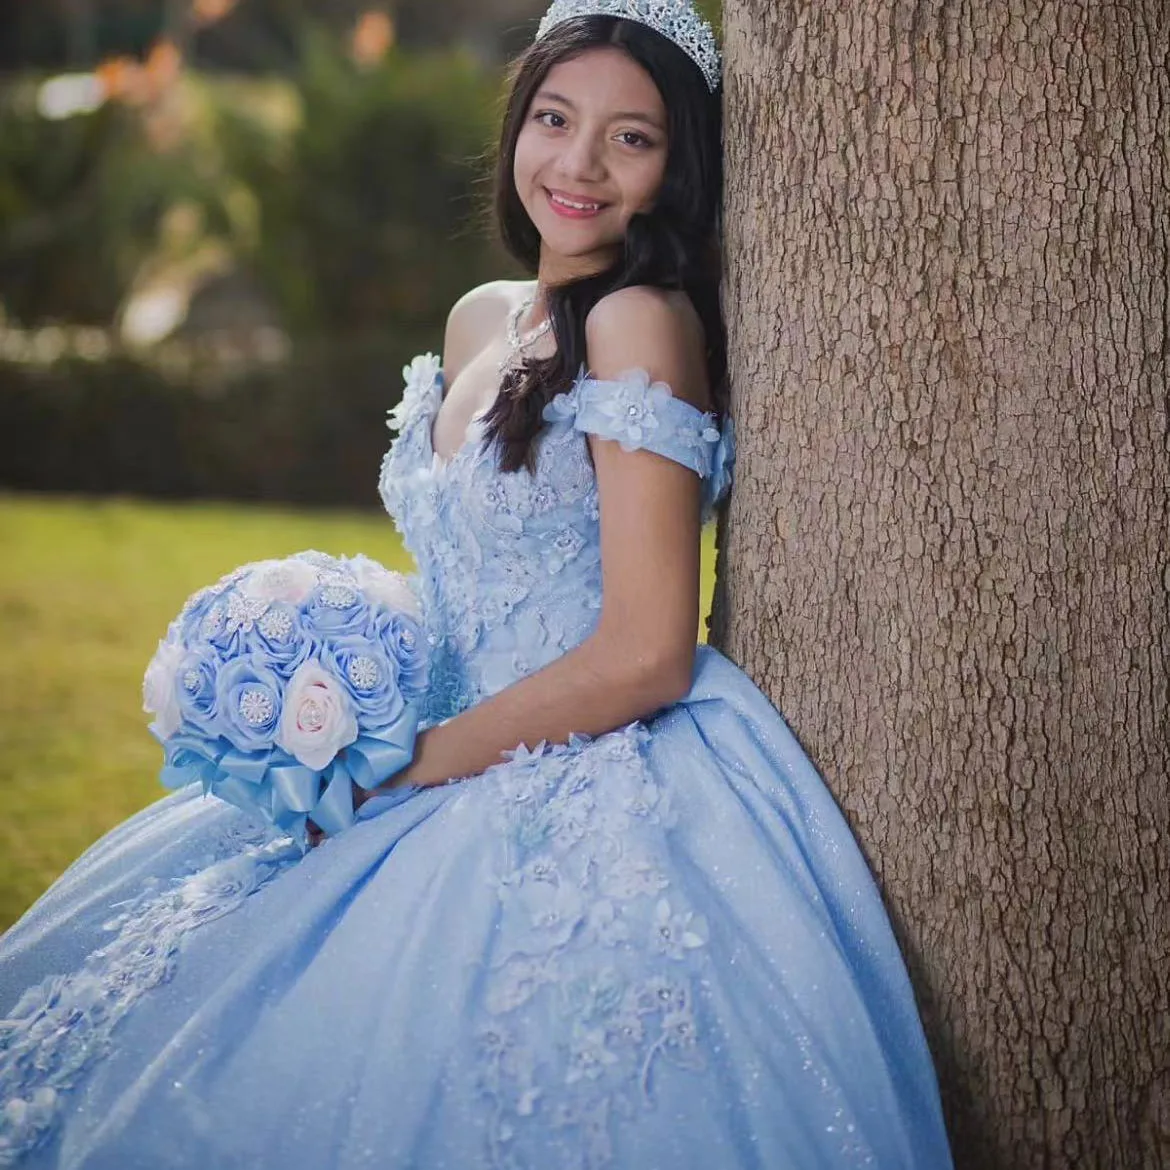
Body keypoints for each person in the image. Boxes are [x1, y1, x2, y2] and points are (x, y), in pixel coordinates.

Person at [0, 3, 954, 1167]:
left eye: (632, 138)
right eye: (556, 118)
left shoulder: (642, 326)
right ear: (518, 124)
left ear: (676, 168)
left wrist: (415, 764)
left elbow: (649, 648)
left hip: (569, 754)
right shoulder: (482, 320)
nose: (580, 163)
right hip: (423, 730)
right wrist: (337, 698)